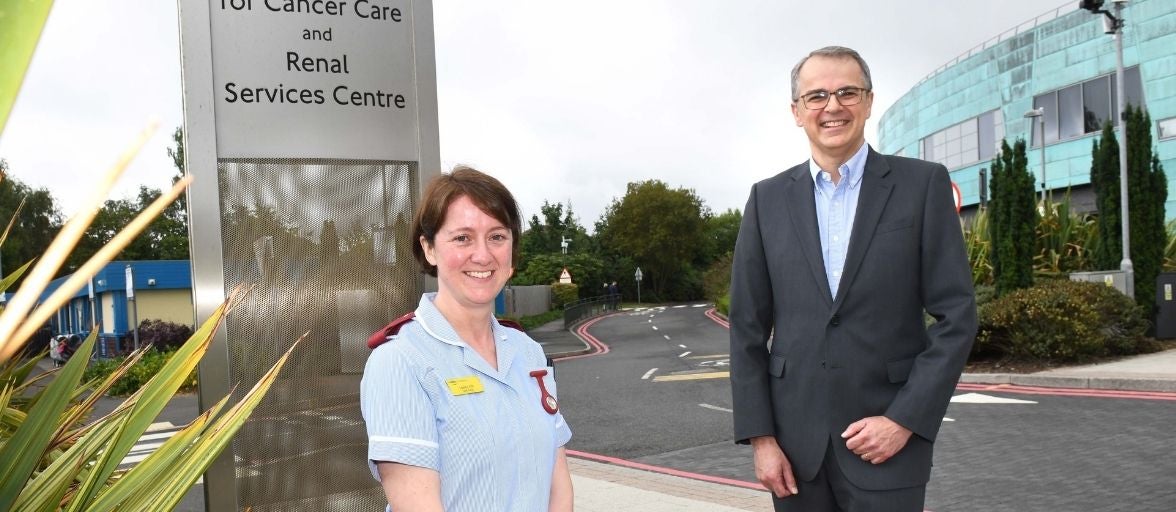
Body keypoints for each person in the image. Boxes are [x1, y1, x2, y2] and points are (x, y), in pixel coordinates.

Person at [728, 46, 977, 512]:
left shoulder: (922, 185)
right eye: (817, 96)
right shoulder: (766, 201)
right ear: (797, 111)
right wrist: (761, 438)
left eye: (847, 92)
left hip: (889, 444)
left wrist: (904, 420)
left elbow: (957, 316)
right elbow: (746, 329)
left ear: (868, 101)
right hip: (793, 453)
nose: (833, 106)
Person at [360, 166, 574, 512]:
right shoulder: (399, 361)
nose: (483, 255)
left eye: (497, 237)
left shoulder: (528, 352)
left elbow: (558, 483)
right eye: (463, 238)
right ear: (429, 248)